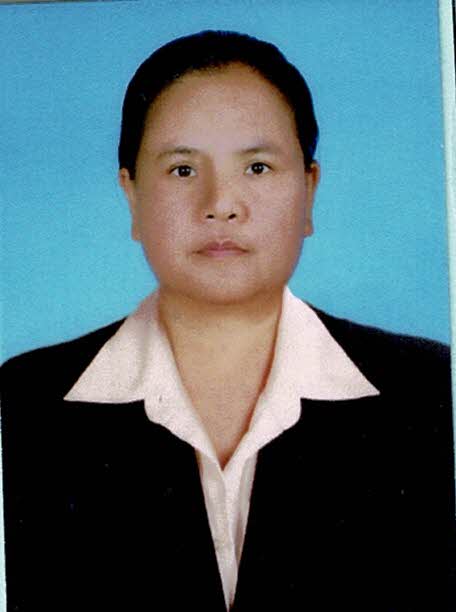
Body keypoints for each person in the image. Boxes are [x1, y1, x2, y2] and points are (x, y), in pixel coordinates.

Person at [1, 30, 454, 612]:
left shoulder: (435, 392)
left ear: (309, 190)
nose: (221, 204)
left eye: (258, 167)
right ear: (131, 195)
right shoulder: (21, 405)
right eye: (182, 170)